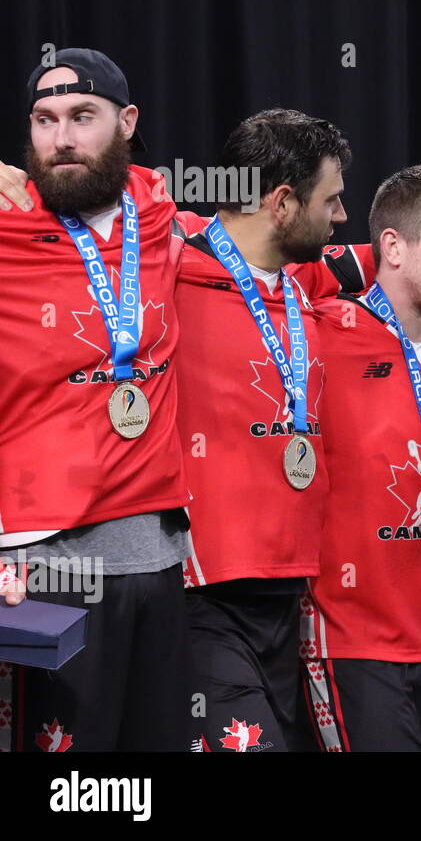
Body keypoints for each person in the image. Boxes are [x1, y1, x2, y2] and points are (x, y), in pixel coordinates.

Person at [0, 48, 190, 750]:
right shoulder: (7, 224)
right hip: (46, 561)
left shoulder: (157, 209)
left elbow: (264, 247)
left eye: (83, 116)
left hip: (161, 559)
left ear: (127, 122)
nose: (62, 138)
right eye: (45, 120)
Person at [173, 109, 349, 752]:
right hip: (200, 595)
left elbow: (400, 258)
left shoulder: (306, 279)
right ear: (281, 202)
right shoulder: (166, 268)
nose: (340, 215)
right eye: (330, 200)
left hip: (290, 591)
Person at [302, 165, 421, 750]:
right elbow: (256, 262)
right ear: (393, 248)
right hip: (352, 646)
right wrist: (359, 261)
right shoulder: (322, 329)